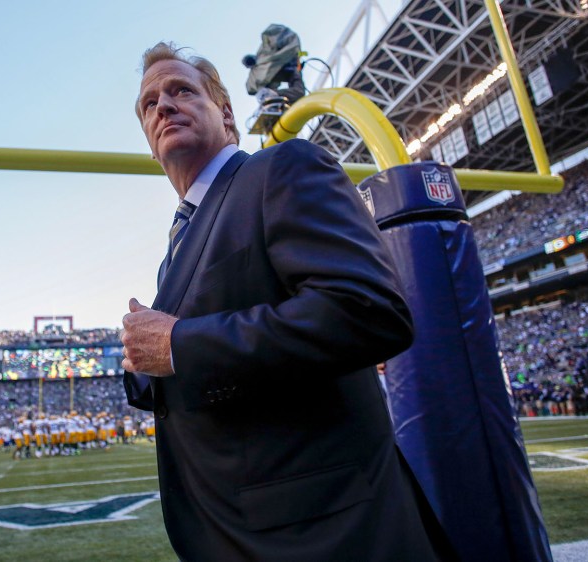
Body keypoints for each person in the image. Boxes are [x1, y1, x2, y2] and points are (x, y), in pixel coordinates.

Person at [121, 42, 451, 560]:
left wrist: (181, 343)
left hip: (323, 532)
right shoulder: (177, 243)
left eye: (181, 90)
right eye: (149, 103)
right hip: (240, 533)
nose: (162, 105)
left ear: (226, 115)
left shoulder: (280, 169)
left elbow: (367, 309)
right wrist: (144, 365)